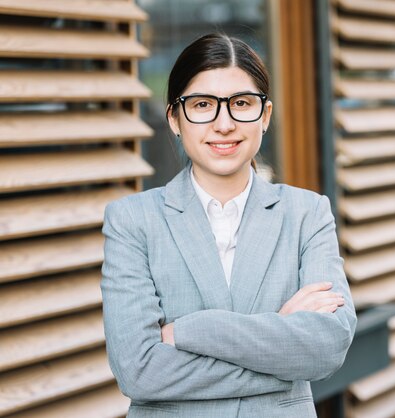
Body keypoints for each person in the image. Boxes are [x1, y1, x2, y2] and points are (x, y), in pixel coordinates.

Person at [100, 33, 357, 418]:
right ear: (174, 118)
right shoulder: (133, 221)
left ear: (265, 116)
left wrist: (192, 331)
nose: (224, 123)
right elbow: (139, 372)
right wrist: (280, 334)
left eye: (241, 103)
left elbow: (327, 346)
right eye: (202, 105)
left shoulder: (307, 213)